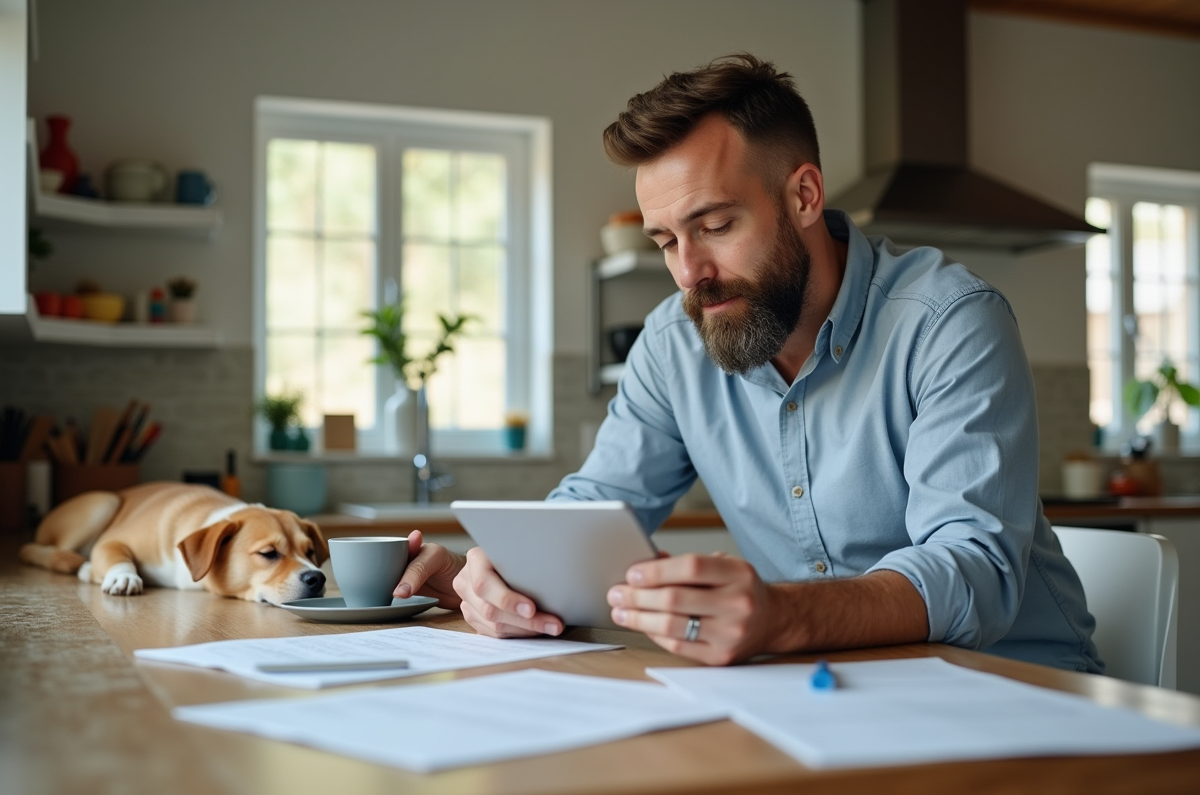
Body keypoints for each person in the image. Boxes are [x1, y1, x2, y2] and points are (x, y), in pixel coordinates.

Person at [394, 53, 1102, 673]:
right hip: (826, 688)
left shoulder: (950, 322)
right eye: (666, 241)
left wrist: (783, 615)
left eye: (715, 226)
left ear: (803, 196)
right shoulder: (674, 345)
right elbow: (592, 508)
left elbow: (974, 568)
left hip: (1014, 691)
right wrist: (498, 579)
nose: (689, 273)